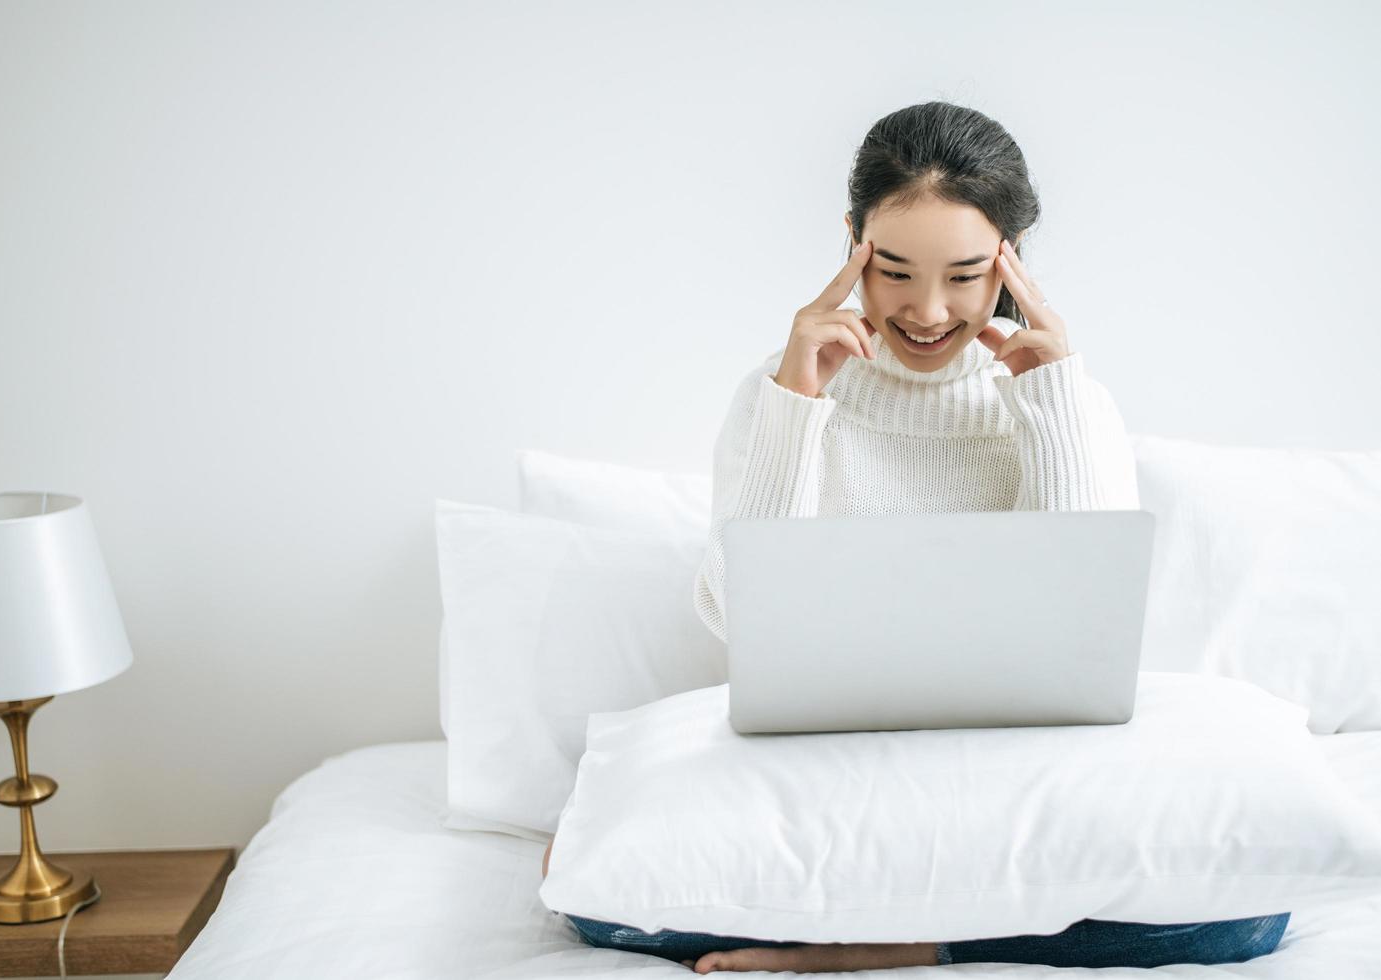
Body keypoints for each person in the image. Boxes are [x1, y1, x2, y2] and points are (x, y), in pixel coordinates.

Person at [543, 100, 1291, 973]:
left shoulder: (1065, 400)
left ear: (1011, 259)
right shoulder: (778, 393)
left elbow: (1087, 629)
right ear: (851, 241)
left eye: (966, 275)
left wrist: (1053, 406)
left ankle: (900, 945)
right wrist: (797, 405)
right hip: (827, 772)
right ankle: (928, 930)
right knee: (593, 904)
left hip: (1015, 773)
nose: (927, 311)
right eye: (893, 271)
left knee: (1247, 919)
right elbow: (734, 619)